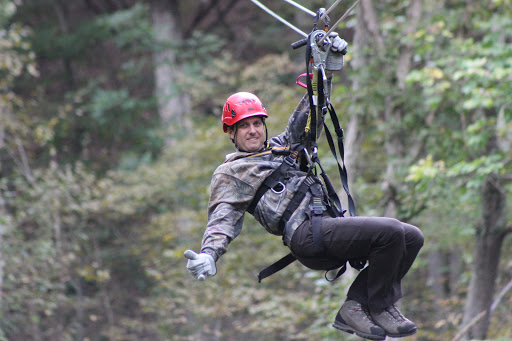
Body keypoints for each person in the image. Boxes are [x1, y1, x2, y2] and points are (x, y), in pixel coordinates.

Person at [184, 36, 424, 341]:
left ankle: (360, 306)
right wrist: (209, 254)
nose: (253, 130)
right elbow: (223, 218)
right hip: (306, 234)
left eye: (257, 123)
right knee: (389, 231)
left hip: (327, 225)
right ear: (231, 132)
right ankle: (375, 305)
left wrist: (325, 67)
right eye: (244, 126)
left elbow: (311, 111)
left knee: (411, 237)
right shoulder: (231, 172)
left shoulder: (283, 147)